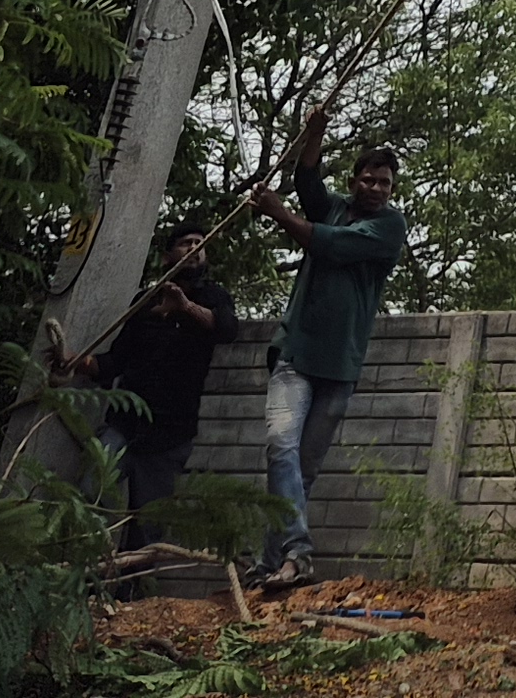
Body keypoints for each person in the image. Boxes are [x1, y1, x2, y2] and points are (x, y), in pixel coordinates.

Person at [251, 112, 408, 590]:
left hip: (340, 365)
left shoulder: (389, 228)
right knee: (281, 448)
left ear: (391, 188)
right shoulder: (334, 206)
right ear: (355, 180)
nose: (376, 188)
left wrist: (278, 213)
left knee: (304, 469)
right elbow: (307, 180)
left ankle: (268, 564)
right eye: (368, 178)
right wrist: (315, 131)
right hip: (296, 354)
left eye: (384, 182)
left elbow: (332, 245)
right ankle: (297, 555)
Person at [78, 228, 237, 533]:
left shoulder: (214, 297)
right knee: (89, 497)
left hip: (169, 435)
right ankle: (86, 572)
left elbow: (227, 330)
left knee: (148, 529)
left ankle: (132, 582)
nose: (194, 248)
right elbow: (114, 361)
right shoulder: (145, 301)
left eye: (200, 244)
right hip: (123, 425)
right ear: (168, 256)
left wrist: (185, 307)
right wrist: (77, 362)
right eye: (186, 243)